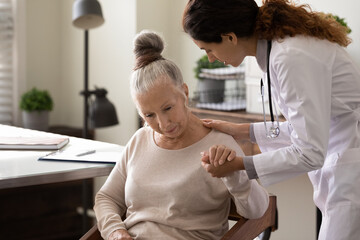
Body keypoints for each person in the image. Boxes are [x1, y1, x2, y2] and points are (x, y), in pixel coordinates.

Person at [182, 0, 360, 239]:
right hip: (341, 151)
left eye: (208, 49)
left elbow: (309, 151)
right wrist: (240, 130)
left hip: (350, 161)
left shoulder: (289, 57)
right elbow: (306, 129)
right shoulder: (278, 51)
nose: (211, 58)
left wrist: (240, 165)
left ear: (230, 37)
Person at [93, 30, 269, 240]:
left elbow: (258, 211)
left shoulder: (220, 144)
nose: (163, 123)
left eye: (168, 108)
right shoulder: (140, 140)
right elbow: (106, 198)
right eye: (149, 115)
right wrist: (116, 233)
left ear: (185, 92)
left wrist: (233, 174)